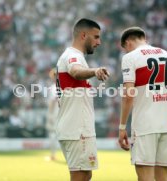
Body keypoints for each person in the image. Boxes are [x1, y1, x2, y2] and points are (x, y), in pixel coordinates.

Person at [118, 27, 167, 181]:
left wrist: (121, 126)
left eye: (125, 48)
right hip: (166, 125)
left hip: (145, 125)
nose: (126, 51)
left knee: (145, 176)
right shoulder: (166, 54)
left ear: (128, 42)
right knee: (163, 176)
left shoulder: (130, 57)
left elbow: (128, 95)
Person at [55, 18, 109, 181]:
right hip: (76, 129)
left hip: (79, 128)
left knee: (86, 174)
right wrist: (95, 71)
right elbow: (76, 71)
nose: (99, 42)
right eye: (96, 37)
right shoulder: (72, 55)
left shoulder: (75, 56)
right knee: (80, 176)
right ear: (84, 35)